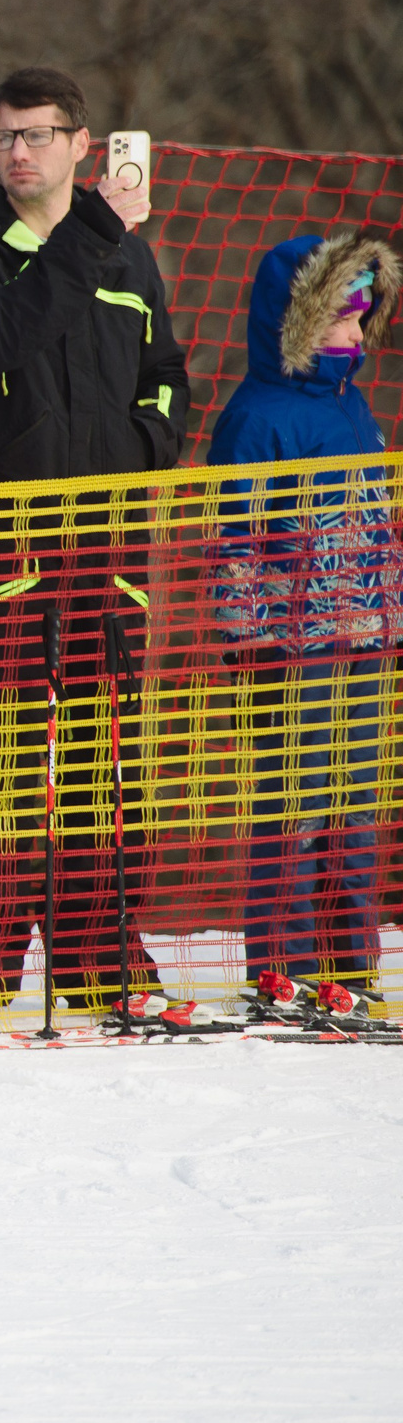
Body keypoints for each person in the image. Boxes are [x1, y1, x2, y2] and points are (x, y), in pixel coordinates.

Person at [0, 65, 191, 1024]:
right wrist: (93, 234)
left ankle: (97, 958)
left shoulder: (130, 260)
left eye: (37, 133)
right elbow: (3, 341)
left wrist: (139, 448)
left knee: (101, 770)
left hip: (107, 554)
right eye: (3, 136)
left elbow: (167, 377)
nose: (18, 151)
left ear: (84, 143)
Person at [207, 233, 396, 994]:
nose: (355, 335)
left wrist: (390, 613)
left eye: (362, 320)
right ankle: (281, 963)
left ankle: (351, 960)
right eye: (339, 320)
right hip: (296, 646)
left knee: (355, 806)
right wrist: (246, 636)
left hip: (366, 640)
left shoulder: (356, 411)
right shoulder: (258, 416)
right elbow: (237, 539)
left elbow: (378, 523)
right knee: (298, 802)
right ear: (297, 321)